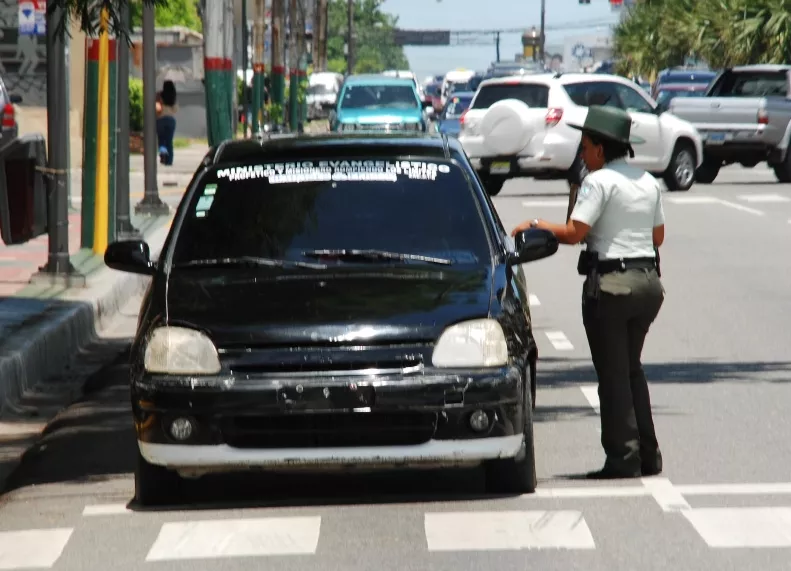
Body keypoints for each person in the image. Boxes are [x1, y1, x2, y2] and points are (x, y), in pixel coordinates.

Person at [511, 105, 666, 479]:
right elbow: (657, 237)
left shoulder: (599, 182)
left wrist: (536, 224)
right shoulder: (646, 180)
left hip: (611, 287)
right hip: (648, 284)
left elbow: (574, 233)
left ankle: (623, 459)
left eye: (584, 147)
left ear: (600, 148)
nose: (581, 154)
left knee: (613, 376)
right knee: (631, 370)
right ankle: (648, 455)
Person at [156, 80, 178, 166]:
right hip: (170, 120)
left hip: (160, 120)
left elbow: (157, 108)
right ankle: (169, 160)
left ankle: (163, 157)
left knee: (162, 140)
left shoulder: (159, 95)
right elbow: (175, 110)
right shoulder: (173, 97)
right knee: (169, 141)